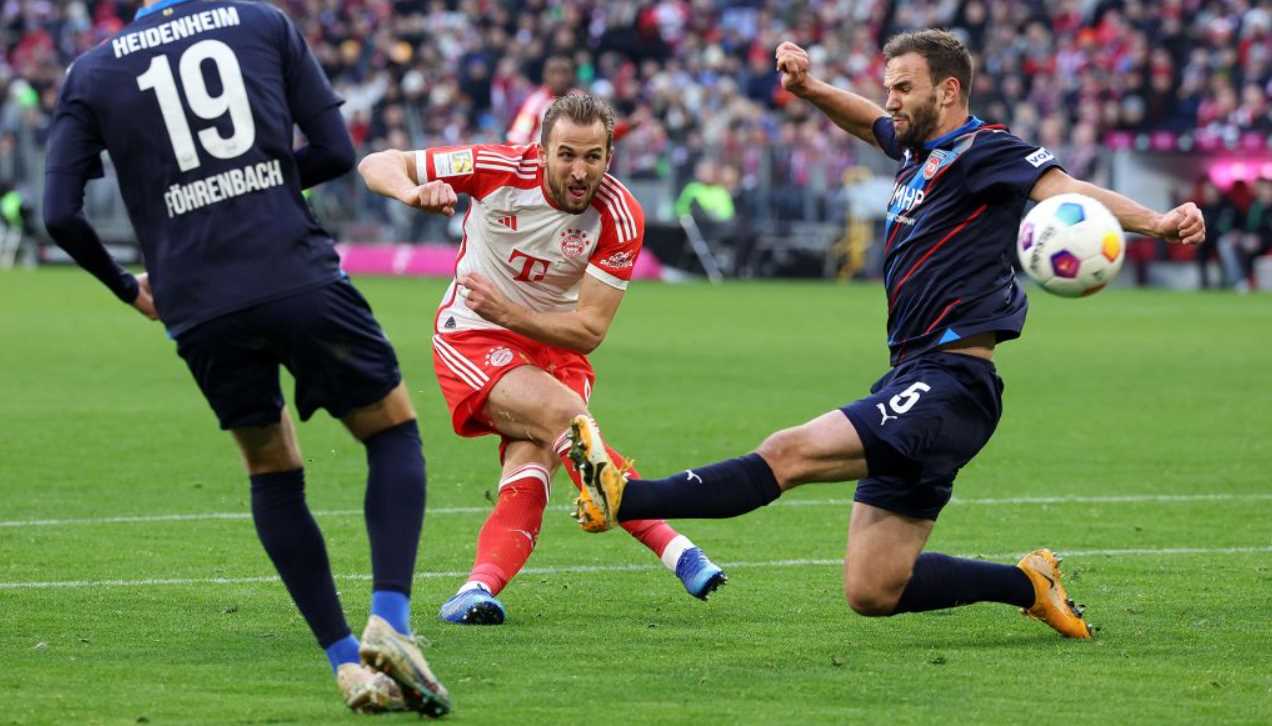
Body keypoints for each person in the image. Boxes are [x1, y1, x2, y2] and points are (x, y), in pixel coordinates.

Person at [569, 30, 1205, 638]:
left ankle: (625, 497)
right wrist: (810, 87)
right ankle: (1027, 586)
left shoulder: (988, 150)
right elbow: (868, 121)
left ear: (948, 91)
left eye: (903, 88)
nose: (891, 101)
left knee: (789, 452)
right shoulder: (918, 153)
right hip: (913, 378)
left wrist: (1157, 221)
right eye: (889, 88)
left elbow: (1064, 191)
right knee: (875, 589)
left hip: (953, 383)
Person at [41, 0, 448, 715]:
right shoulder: (261, 22)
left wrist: (126, 284)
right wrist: (256, 187)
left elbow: (59, 213)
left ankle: (346, 663)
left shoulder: (91, 70)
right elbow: (332, 151)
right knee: (391, 431)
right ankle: (392, 619)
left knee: (271, 468)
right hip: (292, 270)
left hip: (195, 301)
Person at [357, 93, 726, 625]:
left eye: (593, 157)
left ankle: (476, 588)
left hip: (553, 345)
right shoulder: (494, 167)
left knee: (531, 463)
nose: (580, 171)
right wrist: (411, 191)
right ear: (542, 150)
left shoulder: (619, 215)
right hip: (473, 336)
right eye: (567, 155)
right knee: (567, 421)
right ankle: (677, 548)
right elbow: (376, 163)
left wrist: (508, 310)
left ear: (609, 157)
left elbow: (589, 330)